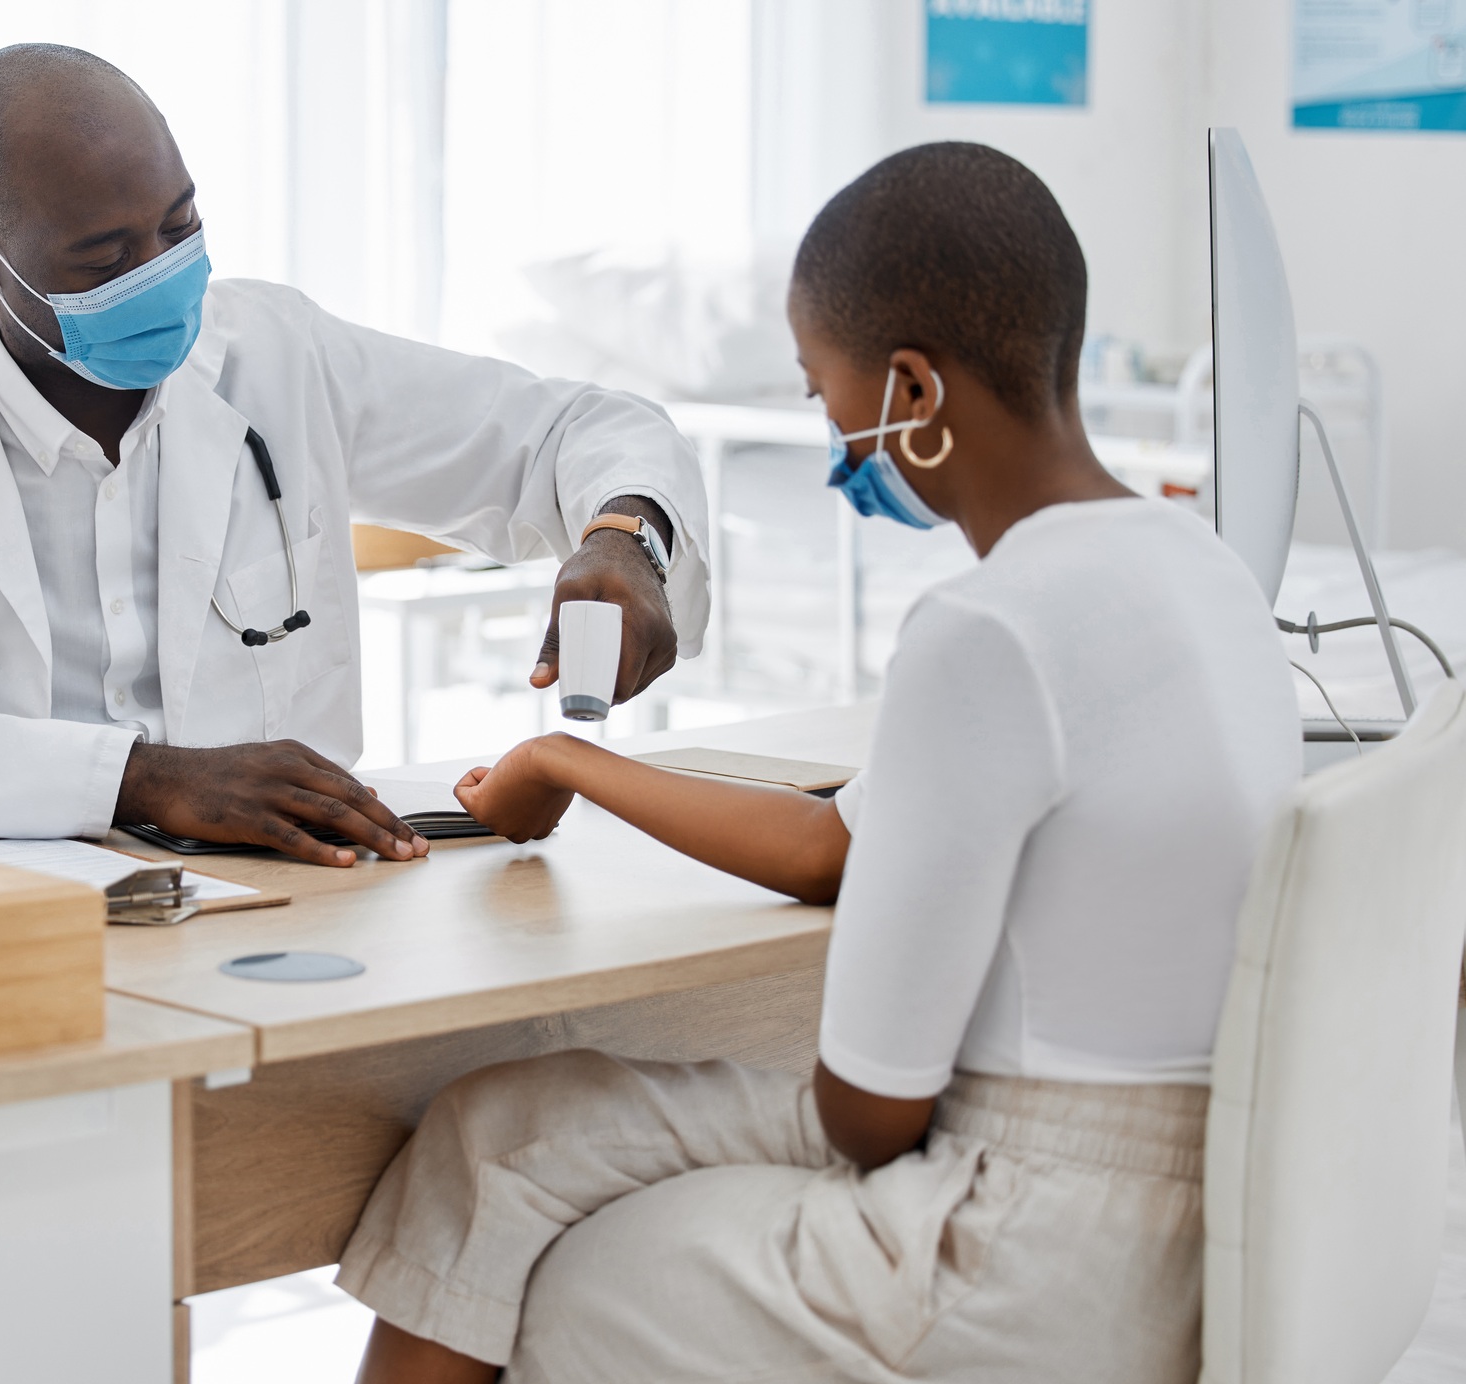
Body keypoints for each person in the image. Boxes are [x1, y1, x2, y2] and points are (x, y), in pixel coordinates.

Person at [336, 143, 1302, 1383]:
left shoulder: (985, 631)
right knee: (498, 1131)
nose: (836, 438)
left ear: (911, 385)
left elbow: (868, 1115)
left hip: (1020, 1249)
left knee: (552, 1239)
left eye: (821, 395)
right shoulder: (1200, 571)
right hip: (1187, 1212)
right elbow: (836, 848)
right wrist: (569, 761)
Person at [0, 44, 706, 862]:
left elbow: (575, 429)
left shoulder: (281, 355)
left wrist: (627, 535)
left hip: (289, 901)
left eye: (179, 224)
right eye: (106, 259)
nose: (159, 272)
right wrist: (144, 779)